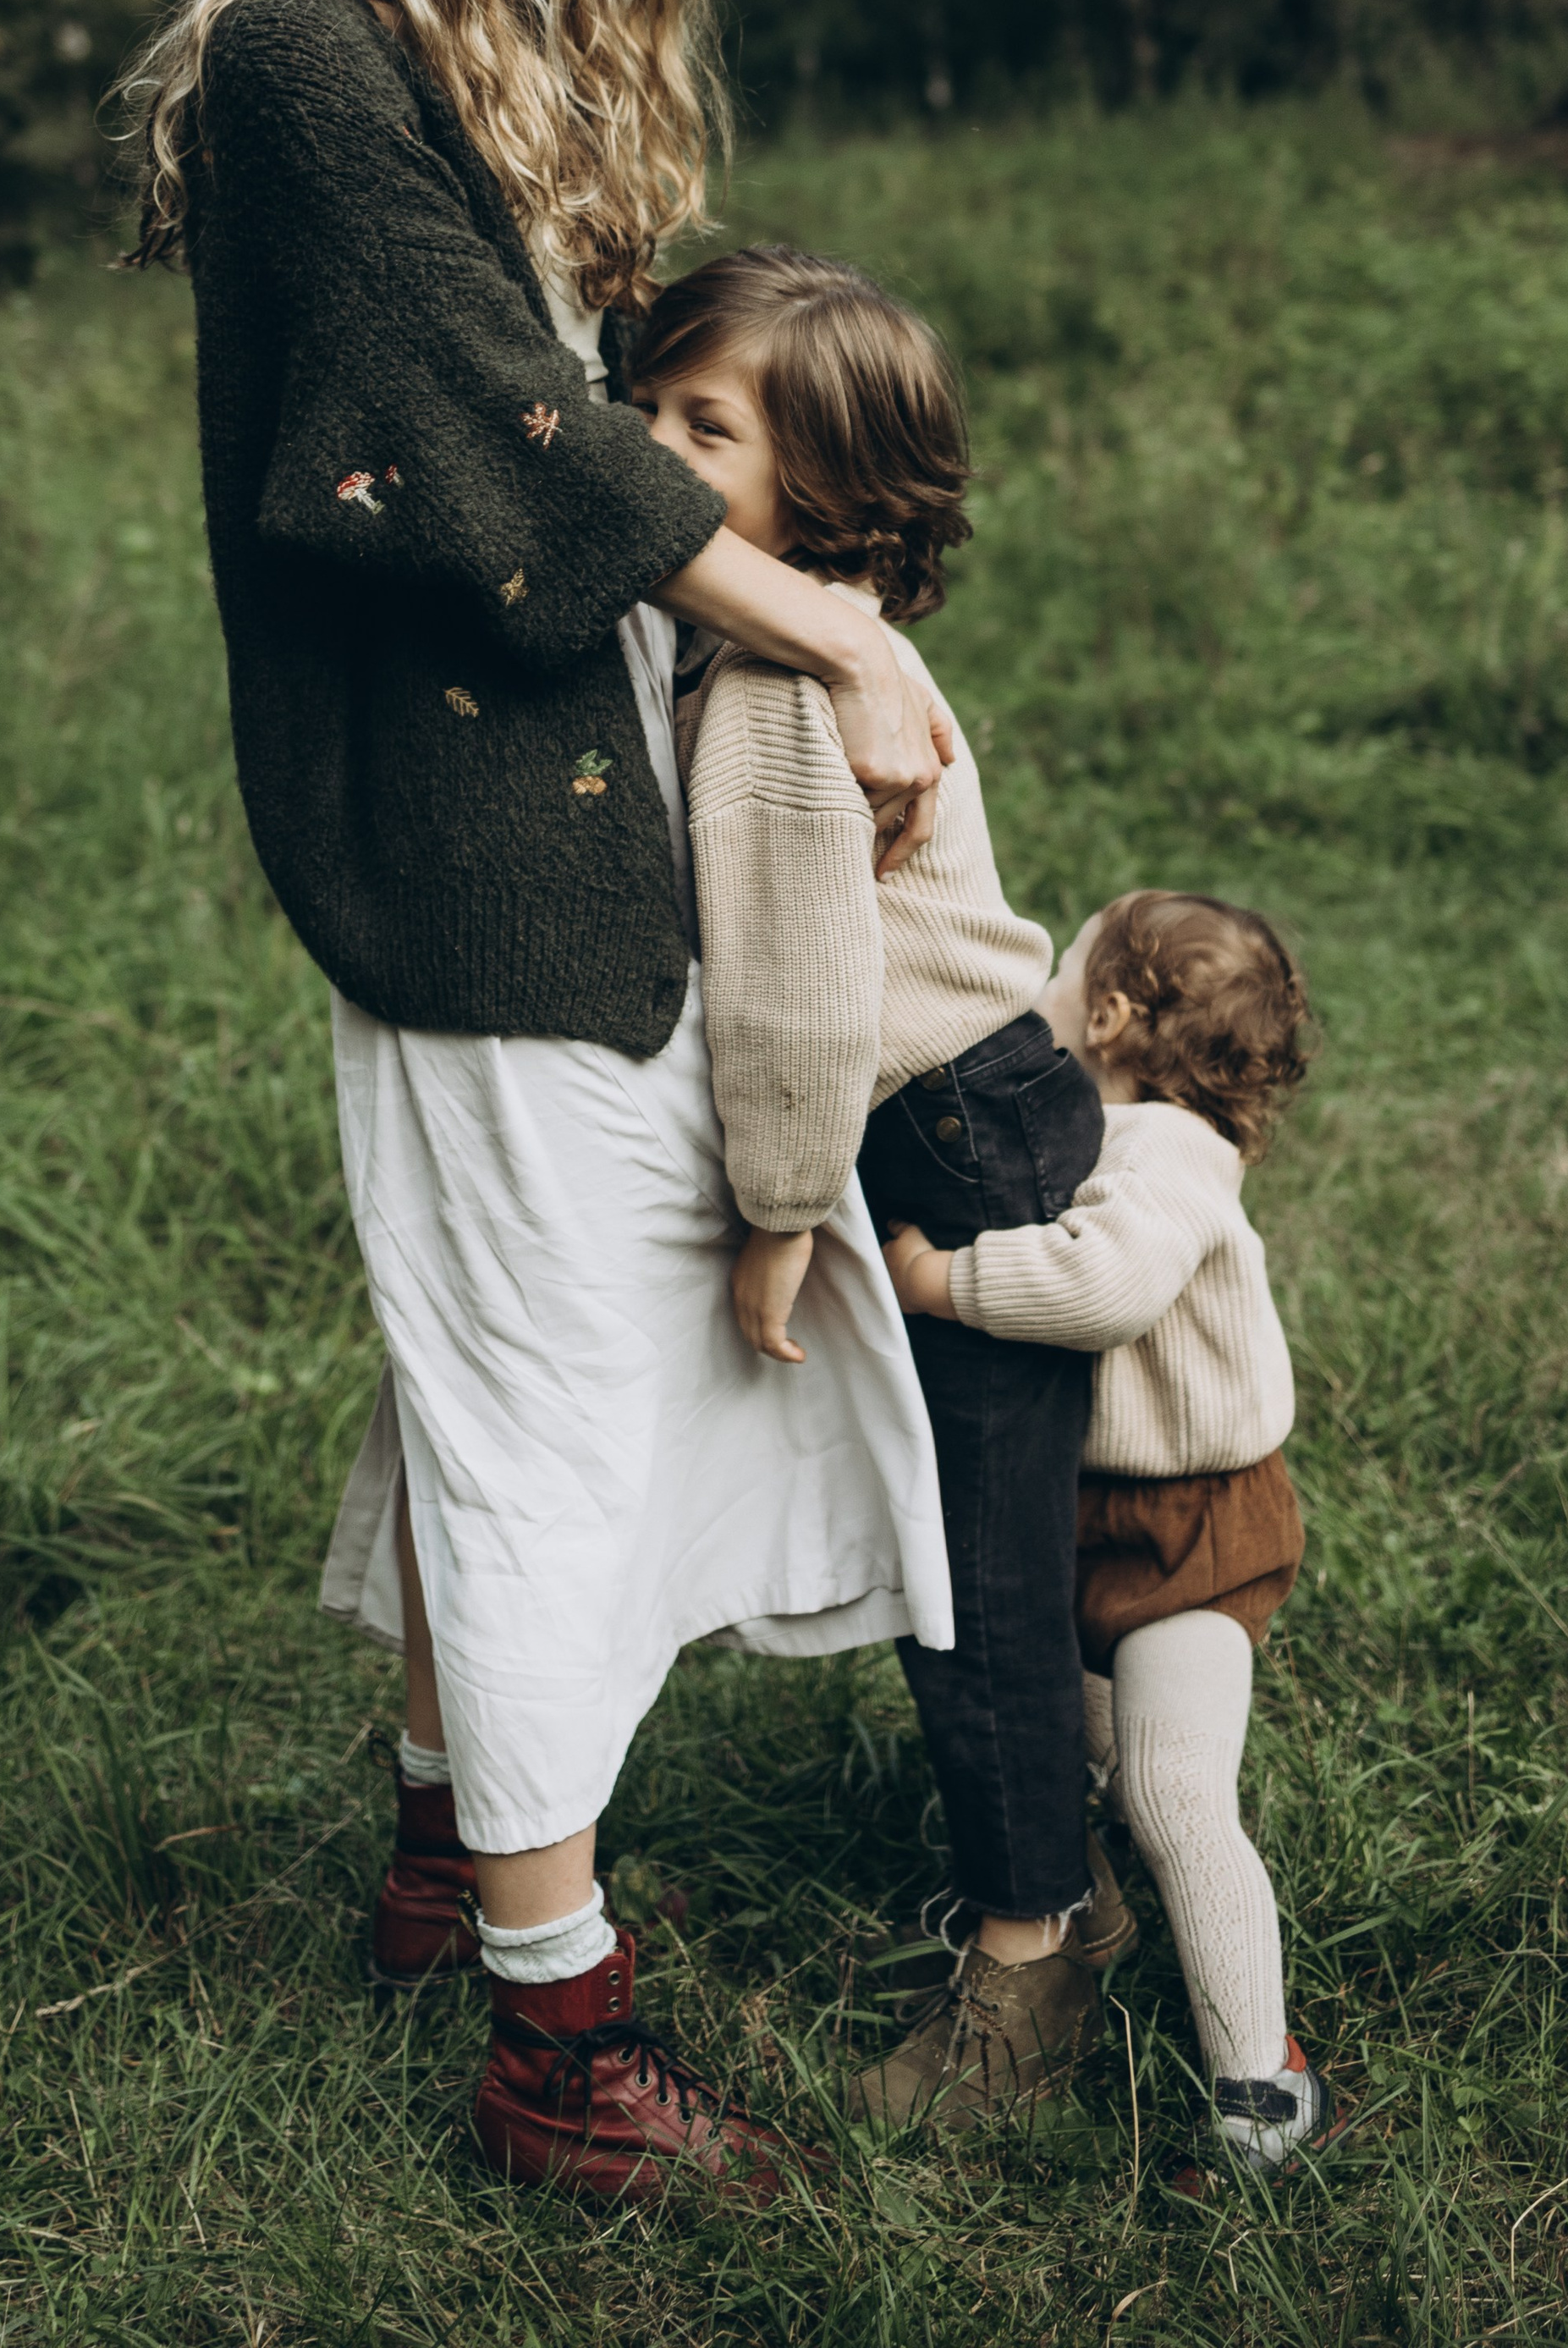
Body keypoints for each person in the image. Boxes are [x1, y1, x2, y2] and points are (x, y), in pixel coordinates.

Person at [126, 0, 955, 2204]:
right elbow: (505, 434)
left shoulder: (472, 45)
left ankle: (438, 1862)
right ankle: (555, 2048)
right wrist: (839, 631)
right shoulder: (303, 57)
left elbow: (605, 411)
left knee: (503, 1374)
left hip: (572, 797)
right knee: (547, 1425)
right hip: (462, 838)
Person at [630, 245, 1133, 2136]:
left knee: (972, 1582)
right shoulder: (781, 635)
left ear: (825, 491)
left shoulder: (780, 678)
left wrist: (776, 1208)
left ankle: (1032, 1957)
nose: (647, 447)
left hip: (943, 1134)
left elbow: (795, 987)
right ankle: (1075, 1859)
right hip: (971, 1108)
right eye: (642, 405)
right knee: (976, 1554)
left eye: (704, 427)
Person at [884, 890, 1336, 2183]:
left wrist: (939, 1282)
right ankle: (1095, 1909)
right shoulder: (1118, 1131)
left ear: (1112, 1015)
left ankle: (1265, 2086)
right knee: (1076, 1732)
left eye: (1065, 963)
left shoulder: (1167, 1150)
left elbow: (1104, 1283)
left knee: (1172, 1789)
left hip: (1191, 1530)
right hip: (1099, 1514)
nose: (1042, 989)